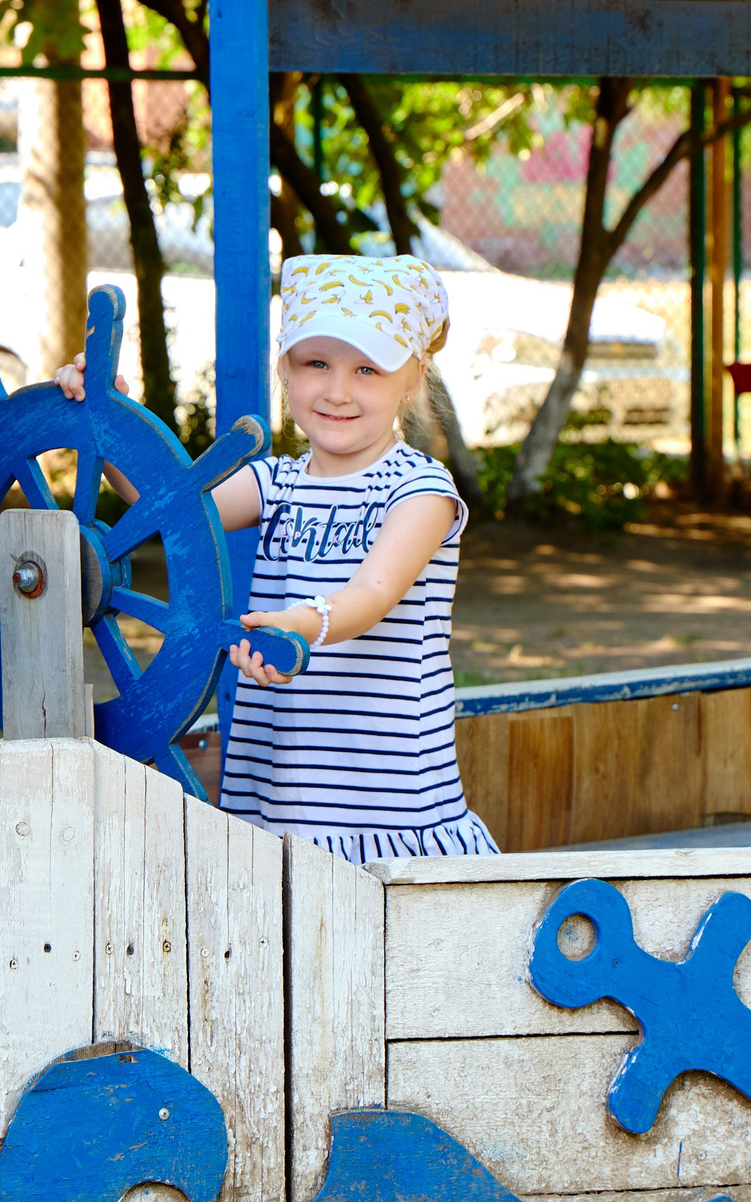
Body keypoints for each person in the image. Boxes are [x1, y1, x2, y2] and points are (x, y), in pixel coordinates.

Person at [56, 255, 498, 860]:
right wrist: (108, 418)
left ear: (413, 378)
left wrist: (300, 624)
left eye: (368, 369)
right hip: (277, 800)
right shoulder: (276, 483)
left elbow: (371, 595)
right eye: (317, 363)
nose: (338, 390)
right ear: (286, 371)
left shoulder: (421, 492)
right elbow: (165, 505)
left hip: (387, 808)